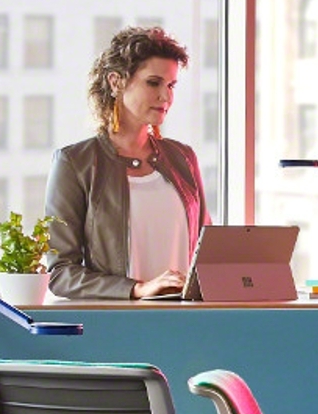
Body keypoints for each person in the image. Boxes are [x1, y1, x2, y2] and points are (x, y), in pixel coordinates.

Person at [43, 26, 204, 301]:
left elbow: (206, 253)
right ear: (116, 82)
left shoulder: (183, 158)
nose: (166, 97)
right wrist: (137, 289)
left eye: (171, 85)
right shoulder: (75, 163)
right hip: (121, 323)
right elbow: (61, 274)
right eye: (153, 83)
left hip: (187, 322)